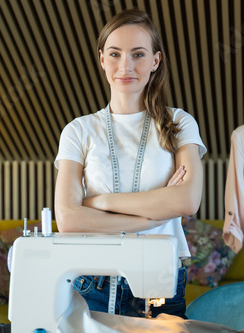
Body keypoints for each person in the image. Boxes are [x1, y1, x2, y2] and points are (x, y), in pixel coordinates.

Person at [54, 8, 206, 319]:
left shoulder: (178, 123)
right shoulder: (78, 130)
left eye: (138, 54)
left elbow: (187, 200)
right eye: (115, 54)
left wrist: (99, 202)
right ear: (101, 60)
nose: (126, 66)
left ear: (155, 61)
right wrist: (152, 218)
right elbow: (68, 219)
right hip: (92, 282)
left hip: (159, 283)